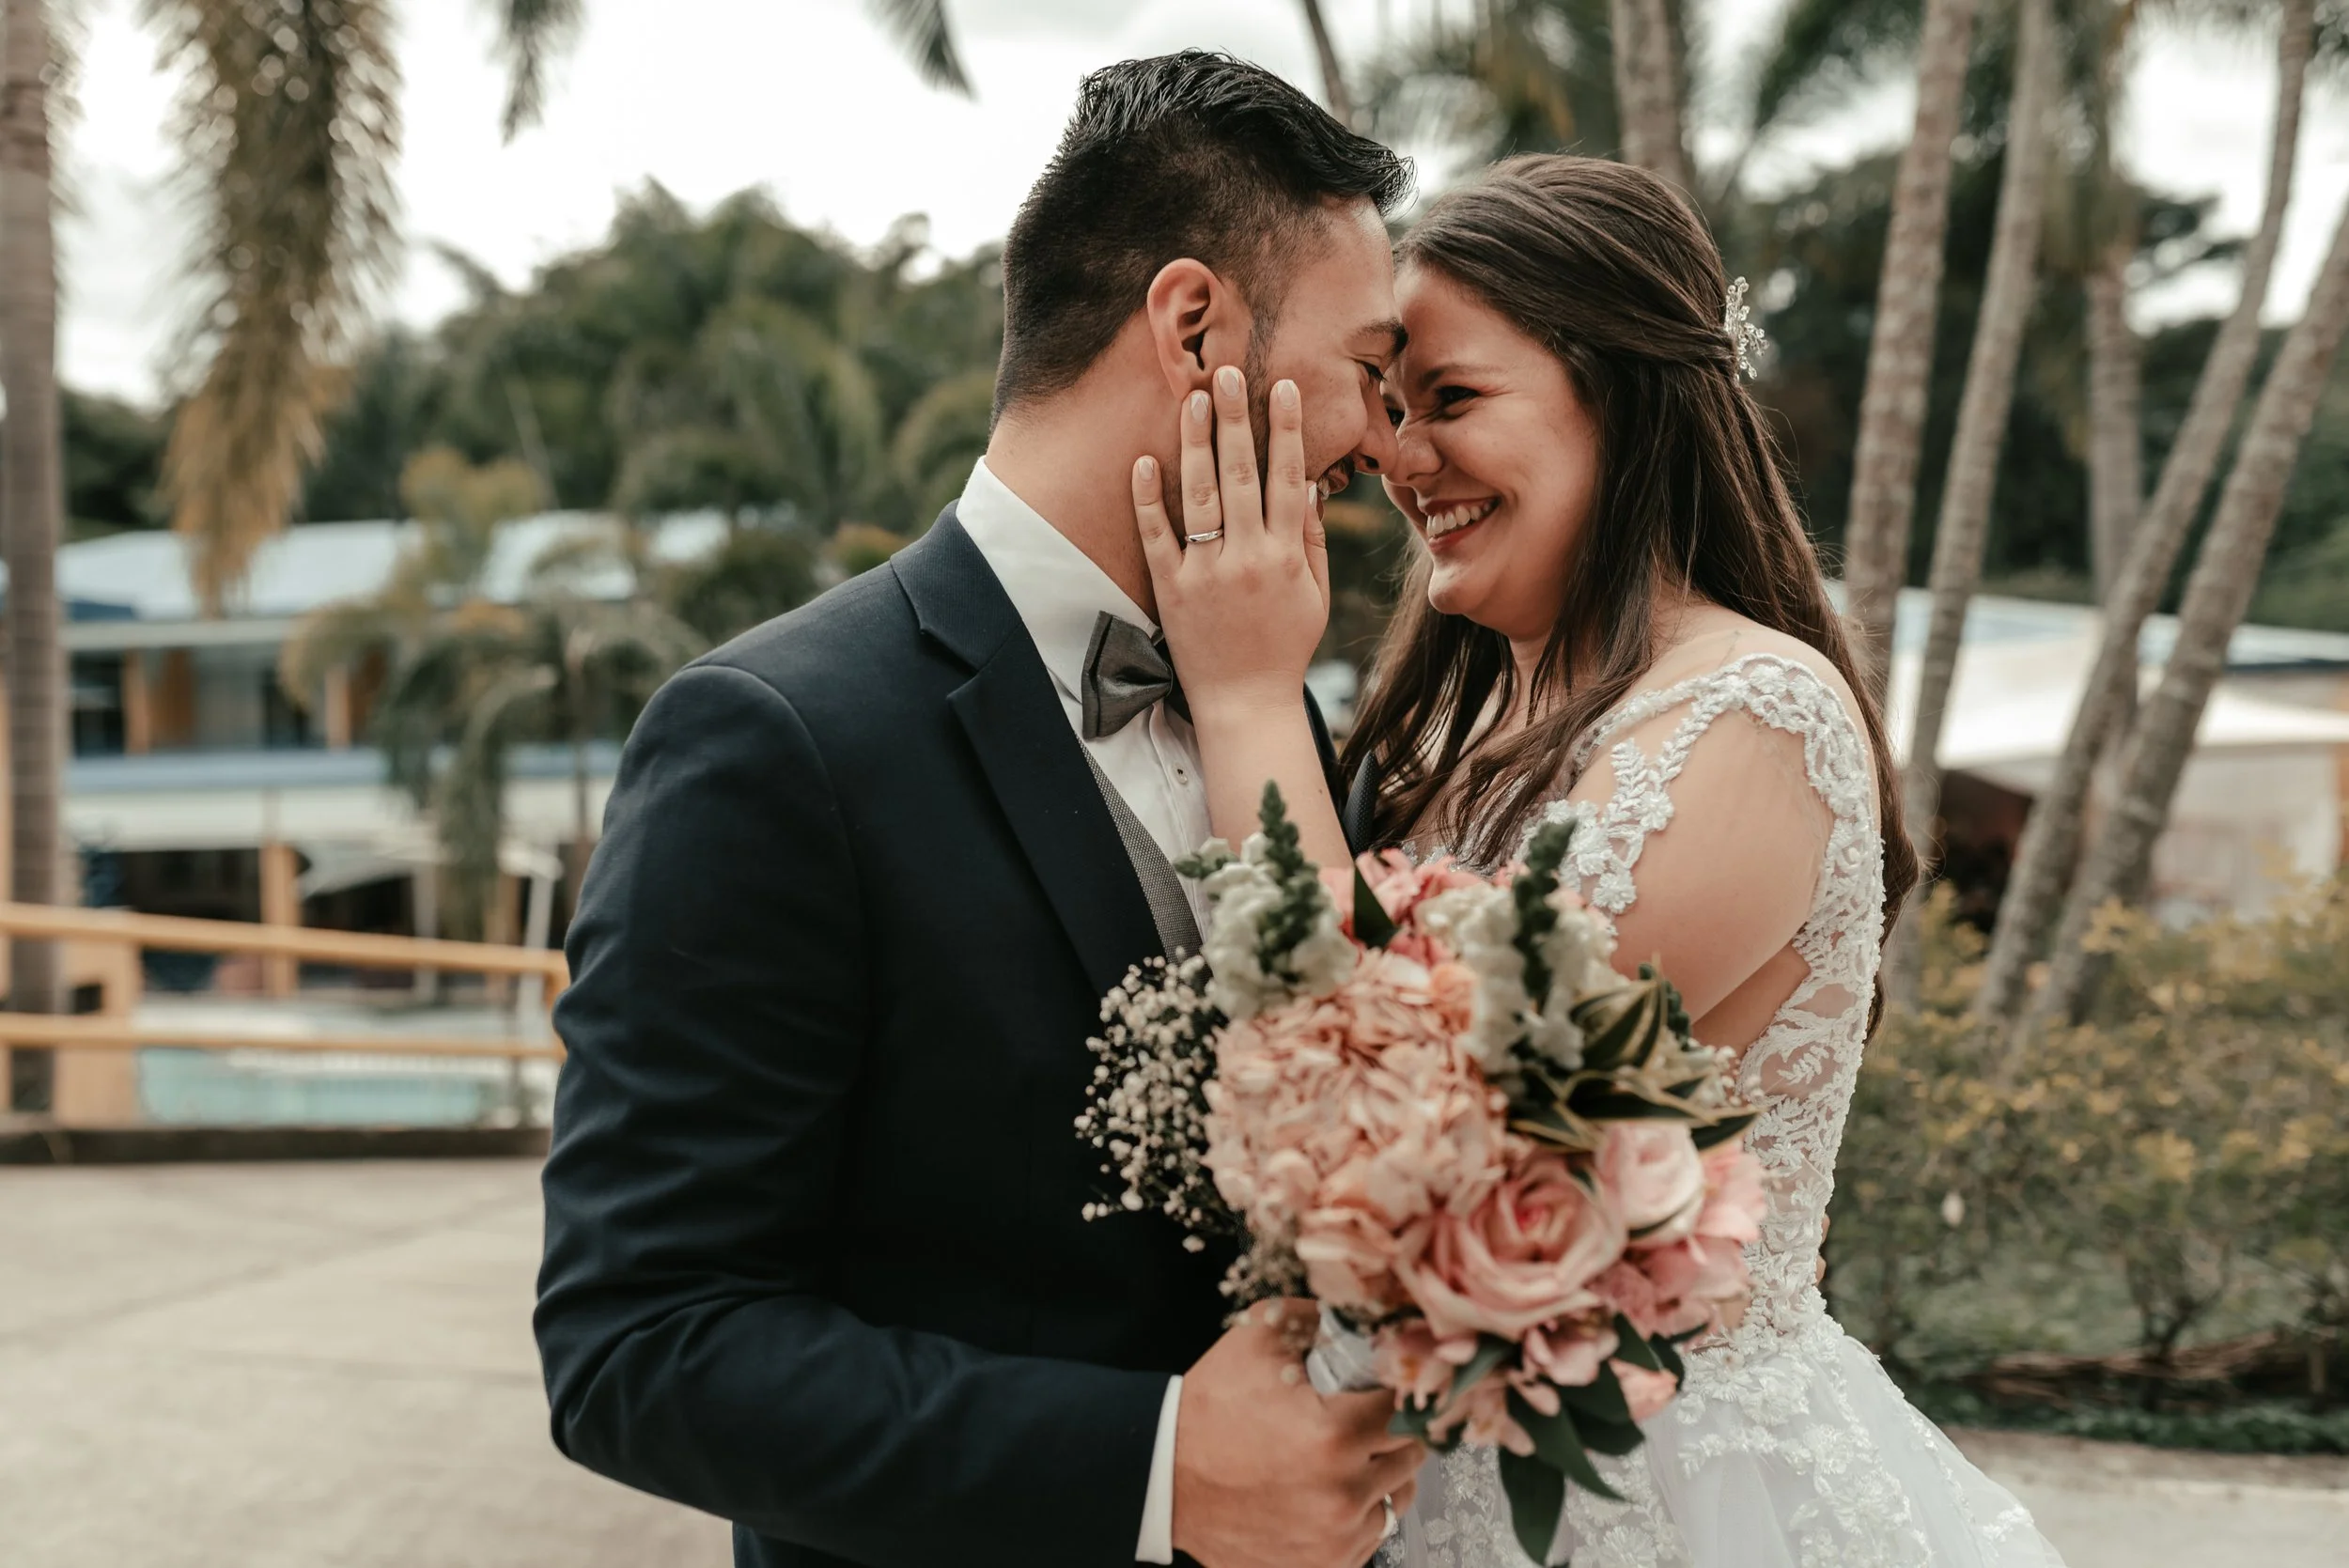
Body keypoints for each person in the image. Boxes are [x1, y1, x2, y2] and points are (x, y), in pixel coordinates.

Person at [534, 51, 1425, 1568]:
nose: (1384, 441)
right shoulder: (772, 740)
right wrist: (1157, 1471)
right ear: (1194, 326)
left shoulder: (1274, 705)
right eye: (1368, 369)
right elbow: (641, 1346)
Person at [1134, 154, 2071, 1567]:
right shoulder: (1465, 722)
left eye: (1453, 399)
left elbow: (1409, 1125)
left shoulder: (1753, 715)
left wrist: (1250, 694)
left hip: (1668, 1499)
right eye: (1392, 406)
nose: (1399, 457)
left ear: (1622, 401)